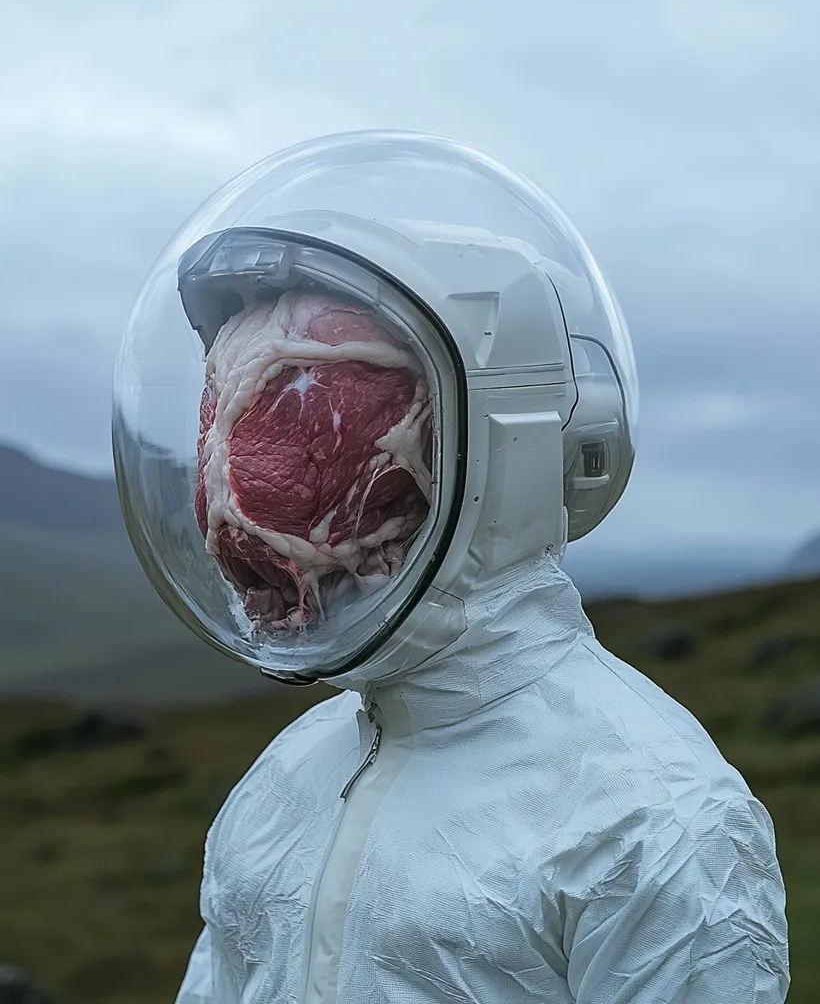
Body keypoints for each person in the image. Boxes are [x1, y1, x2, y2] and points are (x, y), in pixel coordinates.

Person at [114, 131, 789, 1003]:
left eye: (313, 419)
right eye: (226, 412)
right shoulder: (286, 780)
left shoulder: (648, 816)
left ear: (503, 456)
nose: (231, 508)